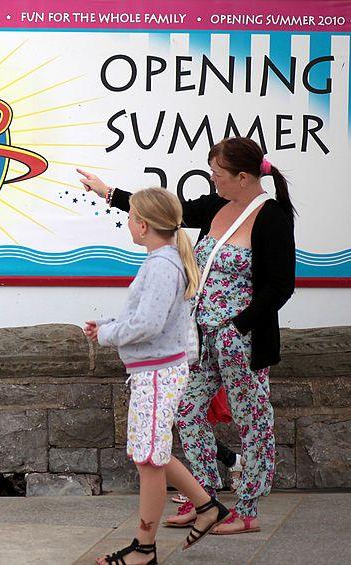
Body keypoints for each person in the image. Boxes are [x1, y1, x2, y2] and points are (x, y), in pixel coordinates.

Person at [79, 137, 296, 535]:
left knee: (253, 420)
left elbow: (280, 285)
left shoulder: (272, 217)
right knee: (187, 411)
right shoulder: (216, 206)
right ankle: (206, 499)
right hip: (200, 337)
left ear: (243, 177)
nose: (213, 182)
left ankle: (247, 510)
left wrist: (239, 326)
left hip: (240, 340)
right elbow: (168, 215)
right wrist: (107, 192)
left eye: (218, 175)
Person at [84, 187, 230, 564]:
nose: (128, 223)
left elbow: (148, 324)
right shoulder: (162, 261)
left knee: (148, 459)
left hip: (156, 374)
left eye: (131, 217)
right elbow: (150, 320)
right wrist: (107, 324)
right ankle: (207, 506)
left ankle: (144, 550)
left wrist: (107, 334)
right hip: (156, 371)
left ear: (143, 225)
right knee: (154, 453)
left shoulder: (162, 266)